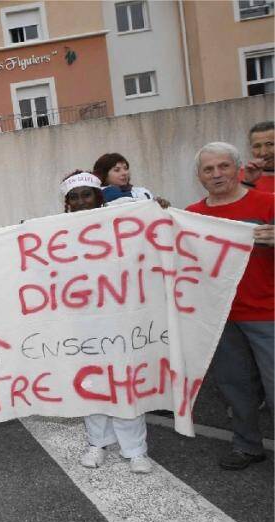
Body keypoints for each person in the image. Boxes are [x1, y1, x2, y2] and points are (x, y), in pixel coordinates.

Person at [186, 142, 274, 470]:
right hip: (220, 317)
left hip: (268, 313)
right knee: (234, 386)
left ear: (238, 169)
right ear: (199, 176)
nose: (216, 174)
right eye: (208, 169)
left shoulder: (267, 203)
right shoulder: (192, 215)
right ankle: (248, 445)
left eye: (223, 166)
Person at [60, 171, 153, 474]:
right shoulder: (57, 232)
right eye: (74, 197)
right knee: (92, 383)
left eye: (86, 194)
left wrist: (159, 210)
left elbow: (150, 227)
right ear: (67, 203)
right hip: (83, 323)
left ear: (98, 196)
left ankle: (135, 449)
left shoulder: (121, 219)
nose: (80, 202)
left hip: (119, 320)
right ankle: (96, 443)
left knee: (125, 382)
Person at [92, 153, 168, 207]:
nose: (124, 173)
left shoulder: (142, 192)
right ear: (103, 175)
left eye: (125, 168)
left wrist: (160, 205)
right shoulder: (96, 195)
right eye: (117, 170)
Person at [240, 121, 274, 194]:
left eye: (270, 144)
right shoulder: (236, 177)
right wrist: (247, 183)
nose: (263, 153)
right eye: (257, 146)